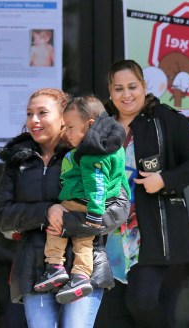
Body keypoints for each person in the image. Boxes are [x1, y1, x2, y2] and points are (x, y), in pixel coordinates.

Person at [0, 88, 129, 328]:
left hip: (84, 263)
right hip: (35, 266)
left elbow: (119, 209)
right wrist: (45, 212)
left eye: (43, 113)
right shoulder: (17, 159)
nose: (34, 121)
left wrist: (68, 222)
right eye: (29, 113)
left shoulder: (89, 148)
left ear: (64, 117)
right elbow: (2, 215)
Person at [101, 59, 189, 328]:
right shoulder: (102, 128)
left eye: (132, 86)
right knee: (117, 313)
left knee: (142, 301)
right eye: (118, 88)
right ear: (110, 93)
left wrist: (164, 180)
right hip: (110, 233)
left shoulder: (166, 120)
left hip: (153, 228)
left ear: (144, 86)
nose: (126, 94)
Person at [33, 96, 128, 304]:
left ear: (90, 125)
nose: (66, 133)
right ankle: (81, 276)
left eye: (70, 127)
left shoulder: (91, 154)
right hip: (98, 203)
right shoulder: (114, 146)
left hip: (82, 201)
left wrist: (94, 212)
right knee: (83, 240)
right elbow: (120, 178)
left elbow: (97, 183)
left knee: (56, 226)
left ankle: (55, 266)